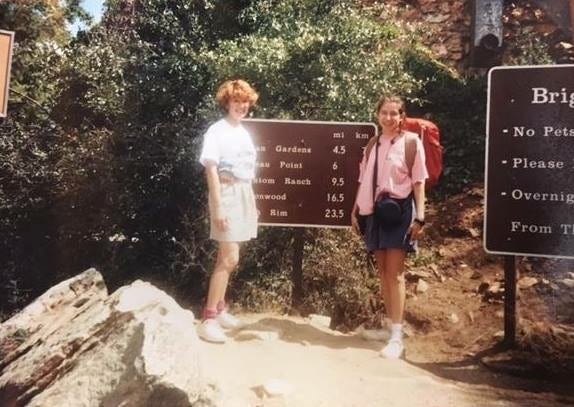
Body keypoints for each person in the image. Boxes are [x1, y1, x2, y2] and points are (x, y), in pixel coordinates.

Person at [351, 95, 428, 359]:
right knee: (383, 272)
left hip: (400, 212)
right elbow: (364, 180)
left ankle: (397, 336)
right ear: (378, 114)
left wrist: (420, 217)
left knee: (395, 274)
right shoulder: (373, 144)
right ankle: (390, 326)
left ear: (402, 116)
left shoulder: (411, 143)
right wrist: (355, 211)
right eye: (384, 112)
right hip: (374, 211)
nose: (389, 118)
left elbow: (419, 182)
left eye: (394, 113)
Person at [197, 79, 259, 343]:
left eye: (245, 102)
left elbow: (248, 172)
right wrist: (219, 205)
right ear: (227, 102)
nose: (241, 106)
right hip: (225, 193)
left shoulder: (244, 132)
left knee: (231, 256)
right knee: (228, 257)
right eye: (236, 101)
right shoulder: (217, 131)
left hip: (244, 193)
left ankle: (221, 310)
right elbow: (211, 169)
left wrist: (253, 205)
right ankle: (209, 318)